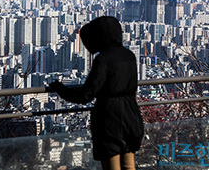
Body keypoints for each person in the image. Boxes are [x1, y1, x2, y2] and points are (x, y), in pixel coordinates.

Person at [49, 16, 144, 170]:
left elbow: (87, 94)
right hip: (131, 115)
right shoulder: (129, 56)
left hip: (109, 119)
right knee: (129, 165)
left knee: (111, 165)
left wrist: (61, 90)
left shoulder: (103, 59)